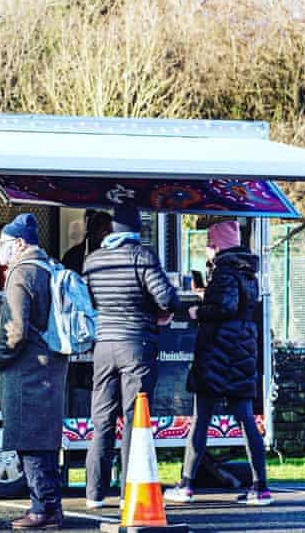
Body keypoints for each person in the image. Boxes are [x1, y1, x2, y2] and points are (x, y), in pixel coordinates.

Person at [83, 205, 186, 509]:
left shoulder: (93, 260)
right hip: (136, 345)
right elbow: (167, 298)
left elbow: (88, 299)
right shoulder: (141, 256)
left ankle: (94, 493)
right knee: (134, 420)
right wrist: (161, 312)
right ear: (137, 229)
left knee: (100, 419)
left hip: (103, 345)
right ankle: (130, 491)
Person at [164, 221, 272, 506]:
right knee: (246, 419)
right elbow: (237, 306)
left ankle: (186, 484)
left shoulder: (224, 271)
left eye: (210, 243)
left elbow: (223, 307)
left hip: (218, 353)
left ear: (219, 243)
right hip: (241, 353)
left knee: (201, 419)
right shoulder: (247, 271)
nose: (207, 249)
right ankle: (260, 487)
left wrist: (198, 310)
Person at [0, 213, 69, 530]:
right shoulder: (48, 268)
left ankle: (41, 510)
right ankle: (52, 508)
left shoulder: (21, 275)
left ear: (19, 243)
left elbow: (15, 331)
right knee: (45, 441)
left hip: (28, 370)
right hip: (50, 364)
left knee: (29, 439)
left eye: (3, 245)